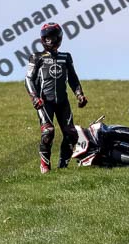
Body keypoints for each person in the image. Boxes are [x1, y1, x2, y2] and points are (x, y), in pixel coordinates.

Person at [25, 23, 88, 173]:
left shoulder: (66, 57)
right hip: (44, 102)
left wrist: (79, 94)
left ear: (58, 38)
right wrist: (34, 97)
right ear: (42, 39)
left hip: (63, 102)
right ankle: (45, 166)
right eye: (46, 37)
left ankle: (63, 167)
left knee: (71, 133)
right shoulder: (36, 57)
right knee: (48, 132)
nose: (49, 40)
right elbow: (28, 79)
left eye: (52, 36)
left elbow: (73, 78)